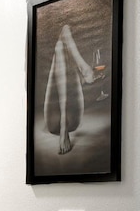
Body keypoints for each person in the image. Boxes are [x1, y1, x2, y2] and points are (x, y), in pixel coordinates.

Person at [43, 25, 102, 155]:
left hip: (70, 118)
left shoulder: (67, 53)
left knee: (59, 45)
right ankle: (84, 66)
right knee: (59, 45)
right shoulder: (62, 49)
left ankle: (64, 122)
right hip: (59, 119)